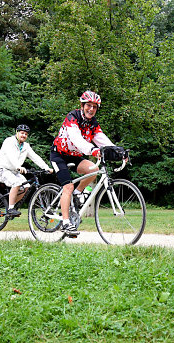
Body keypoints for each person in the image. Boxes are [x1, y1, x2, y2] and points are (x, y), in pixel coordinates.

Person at [50, 90, 115, 236]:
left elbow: (101, 138)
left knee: (93, 169)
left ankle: (77, 193)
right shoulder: (72, 117)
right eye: (88, 105)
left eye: (94, 107)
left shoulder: (93, 123)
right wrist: (92, 150)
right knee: (67, 186)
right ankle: (66, 223)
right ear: (82, 105)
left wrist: (117, 151)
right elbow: (76, 139)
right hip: (59, 155)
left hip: (74, 155)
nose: (91, 109)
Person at [0, 124, 53, 217]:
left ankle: (10, 204)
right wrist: (18, 166)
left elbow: (35, 157)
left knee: (27, 187)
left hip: (14, 171)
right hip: (2, 169)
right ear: (16, 133)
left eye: (26, 134)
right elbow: (10, 156)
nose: (24, 135)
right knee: (16, 183)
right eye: (22, 133)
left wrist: (46, 168)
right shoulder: (9, 141)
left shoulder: (26, 146)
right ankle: (10, 208)